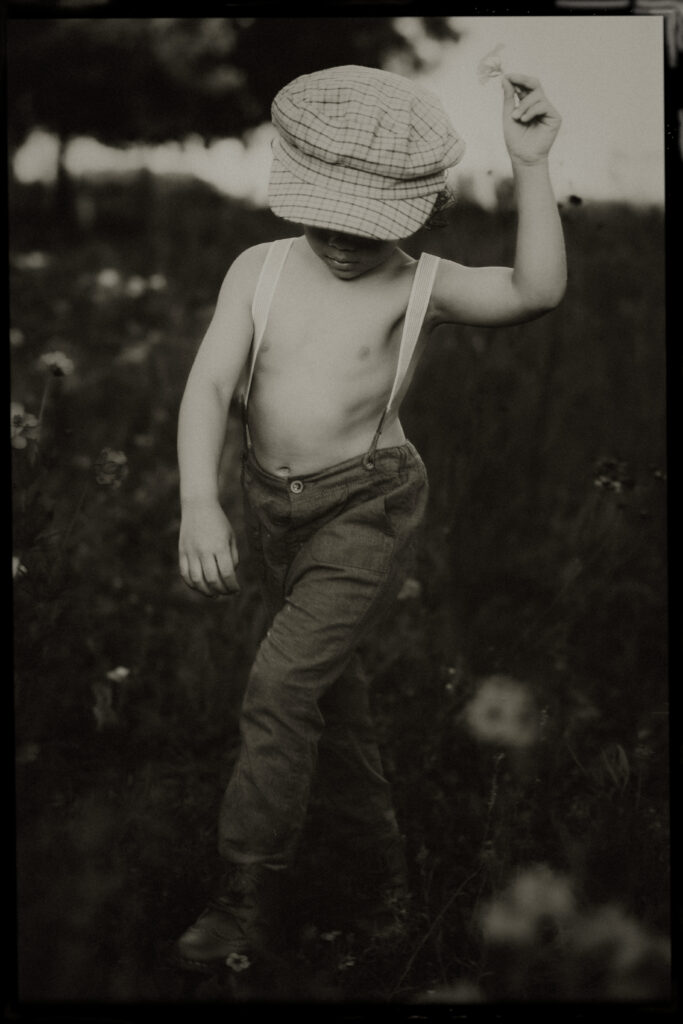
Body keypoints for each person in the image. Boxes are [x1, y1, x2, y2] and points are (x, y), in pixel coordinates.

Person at [174, 64, 565, 972]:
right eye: (326, 218)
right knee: (326, 698)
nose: (345, 243)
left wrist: (531, 165)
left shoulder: (417, 285)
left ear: (418, 209)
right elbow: (209, 384)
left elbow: (535, 293)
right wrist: (200, 498)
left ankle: (245, 901)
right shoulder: (259, 269)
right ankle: (385, 881)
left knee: (278, 690)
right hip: (273, 513)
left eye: (369, 224)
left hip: (368, 506)